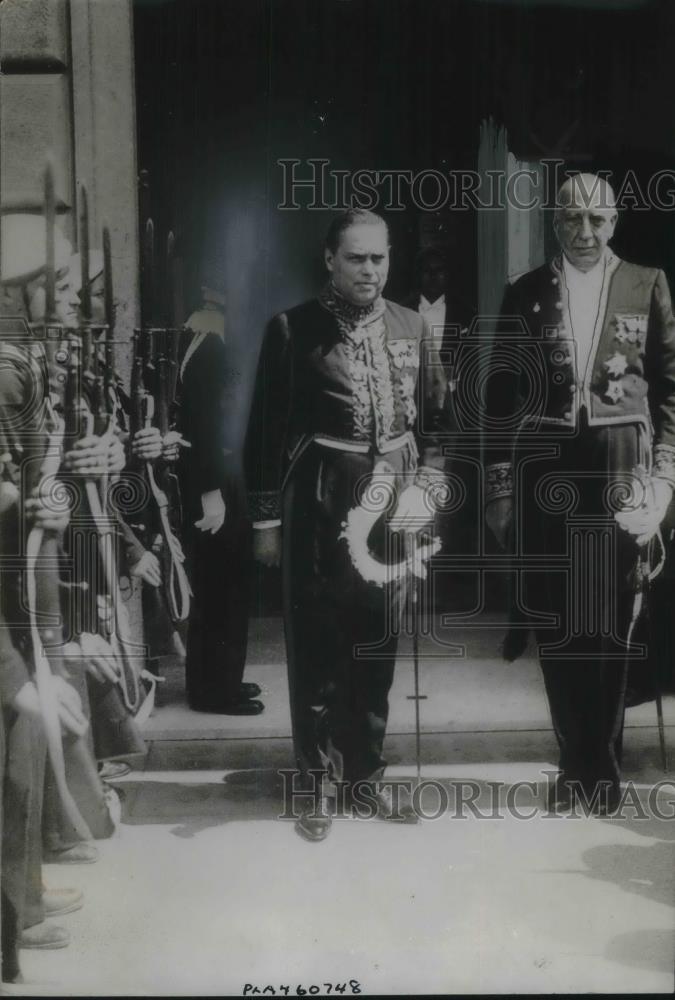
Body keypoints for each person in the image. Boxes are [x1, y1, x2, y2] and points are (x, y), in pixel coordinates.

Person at [246, 209, 449, 841]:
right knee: (317, 646)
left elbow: (436, 429)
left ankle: (365, 778)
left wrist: (427, 491)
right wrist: (265, 522)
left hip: (392, 507)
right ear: (330, 261)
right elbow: (265, 435)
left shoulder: (412, 326)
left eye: (379, 258)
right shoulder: (293, 328)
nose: (369, 270)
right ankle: (313, 783)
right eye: (356, 258)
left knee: (377, 644)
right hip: (320, 505)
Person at [484, 173, 675, 814]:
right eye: (571, 219)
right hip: (546, 474)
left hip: (622, 467)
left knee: (615, 618)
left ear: (615, 220)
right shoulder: (525, 293)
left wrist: (666, 474)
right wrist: (501, 491)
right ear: (553, 223)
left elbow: (670, 391)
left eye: (596, 219)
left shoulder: (648, 284)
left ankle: (606, 765)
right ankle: (573, 763)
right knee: (559, 618)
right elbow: (501, 400)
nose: (584, 232)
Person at [176, 270, 262, 715]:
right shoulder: (211, 348)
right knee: (224, 587)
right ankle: (216, 690)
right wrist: (213, 491)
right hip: (216, 480)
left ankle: (218, 679)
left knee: (218, 586)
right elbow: (207, 425)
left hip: (214, 475)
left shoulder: (196, 342)